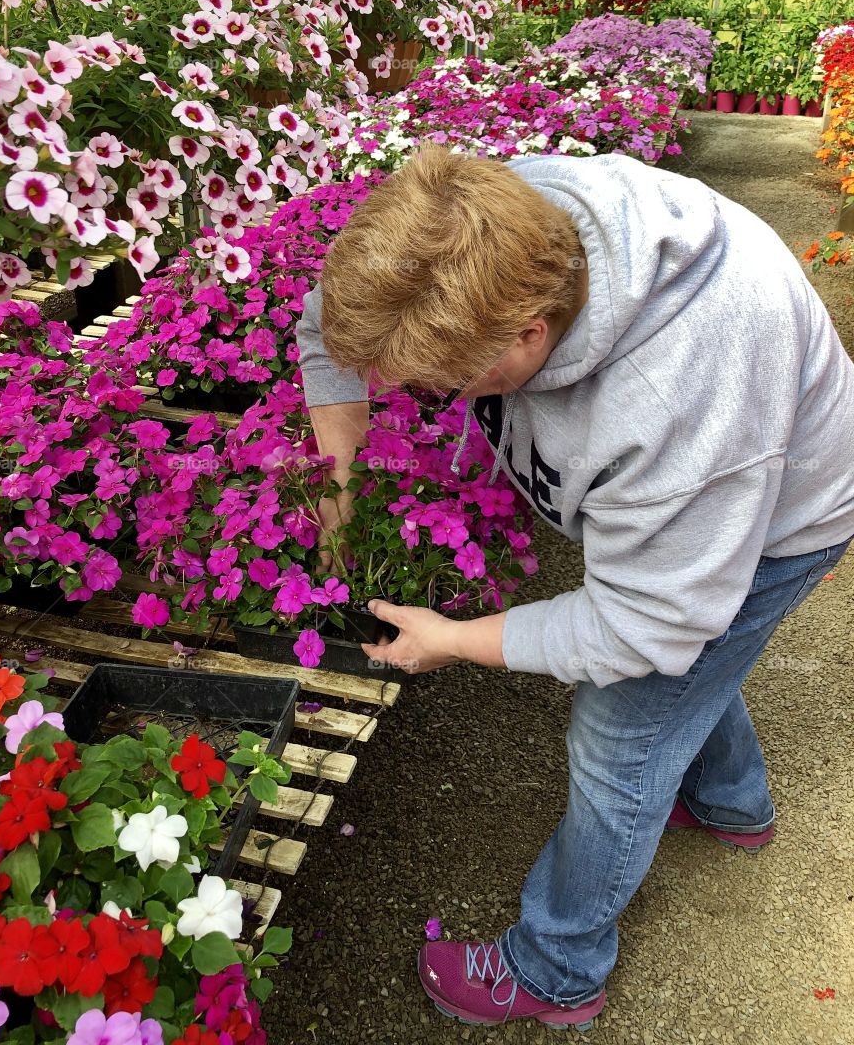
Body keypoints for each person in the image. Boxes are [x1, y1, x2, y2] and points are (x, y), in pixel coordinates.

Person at [294, 143, 854, 1030]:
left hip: (783, 521)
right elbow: (325, 315)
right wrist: (342, 476)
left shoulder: (678, 389)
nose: (427, 398)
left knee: (621, 739)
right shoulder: (472, 220)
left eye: (446, 384)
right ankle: (730, 801)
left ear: (529, 338)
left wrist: (455, 639)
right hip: (682, 527)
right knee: (696, 669)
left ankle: (557, 968)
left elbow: (647, 627)